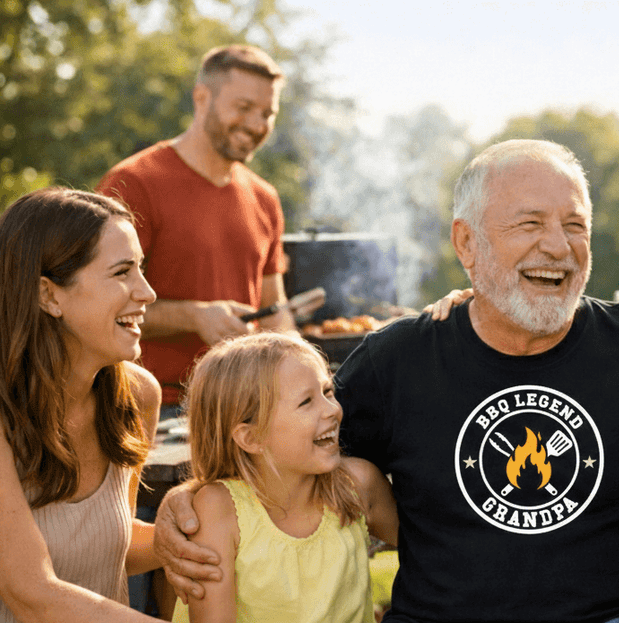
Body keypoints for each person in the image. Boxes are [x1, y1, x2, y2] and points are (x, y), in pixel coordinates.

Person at [156, 139, 619, 623]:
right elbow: (277, 439)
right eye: (530, 223)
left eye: (575, 225)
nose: (558, 246)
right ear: (467, 245)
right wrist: (186, 501)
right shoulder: (396, 361)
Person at [96, 44, 294, 414]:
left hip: (243, 406)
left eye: (268, 113)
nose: (256, 125)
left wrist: (301, 359)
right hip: (152, 406)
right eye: (244, 108)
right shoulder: (134, 183)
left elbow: (274, 310)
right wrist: (195, 316)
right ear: (202, 98)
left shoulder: (265, 197)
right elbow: (98, 302)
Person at [0, 188, 163, 622]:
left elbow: (113, 543)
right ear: (48, 295)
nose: (146, 293)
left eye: (141, 270)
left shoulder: (137, 398)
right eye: (122, 272)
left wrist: (177, 540)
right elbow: (31, 595)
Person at [169, 333, 397, 623]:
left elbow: (434, 543)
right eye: (306, 402)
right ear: (251, 437)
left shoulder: (359, 484)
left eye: (328, 392)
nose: (333, 410)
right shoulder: (217, 510)